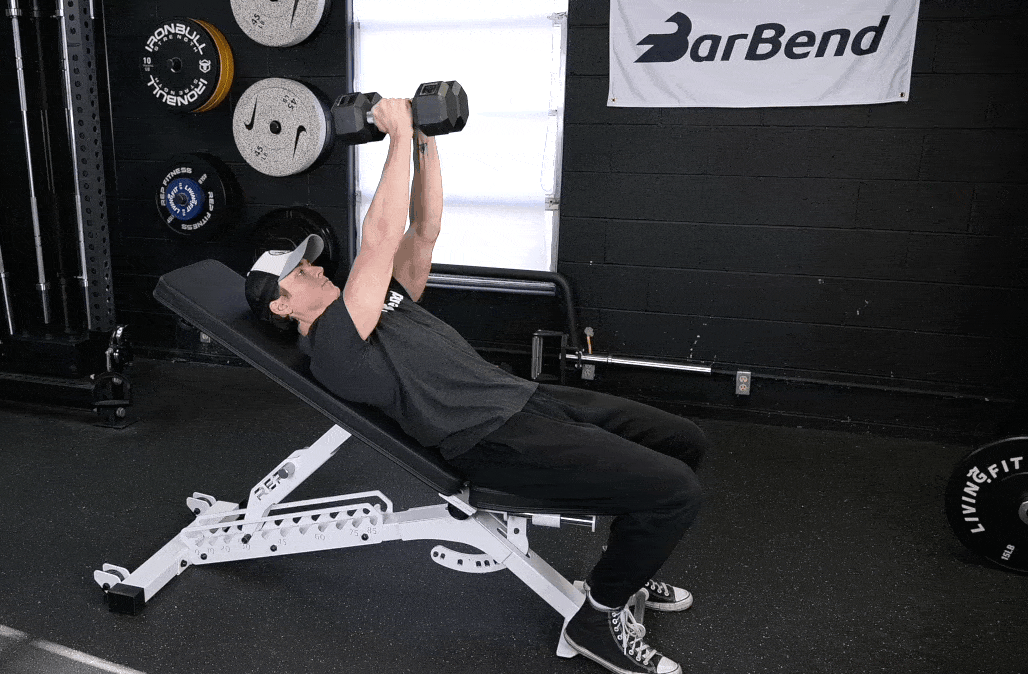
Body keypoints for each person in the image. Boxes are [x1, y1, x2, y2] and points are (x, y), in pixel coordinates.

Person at [244, 98, 708, 674]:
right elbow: (380, 237)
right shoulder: (333, 344)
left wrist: (425, 138)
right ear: (284, 306)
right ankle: (598, 617)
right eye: (300, 271)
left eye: (309, 261)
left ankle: (624, 573)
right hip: (492, 441)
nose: (315, 267)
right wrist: (393, 137)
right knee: (676, 491)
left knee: (683, 441)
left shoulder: (379, 301)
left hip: (524, 399)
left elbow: (423, 231)